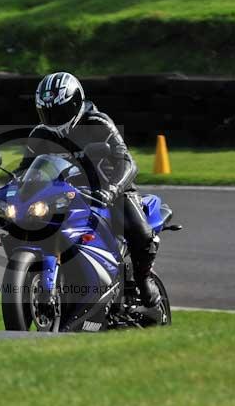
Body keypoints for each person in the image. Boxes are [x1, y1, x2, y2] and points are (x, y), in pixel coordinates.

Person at [16, 71, 160, 307]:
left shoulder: (98, 123)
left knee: (140, 232)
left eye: (59, 111)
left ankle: (143, 281)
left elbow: (127, 161)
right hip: (64, 194)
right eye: (47, 112)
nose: (53, 118)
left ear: (75, 103)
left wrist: (112, 189)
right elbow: (25, 172)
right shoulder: (40, 134)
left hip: (110, 188)